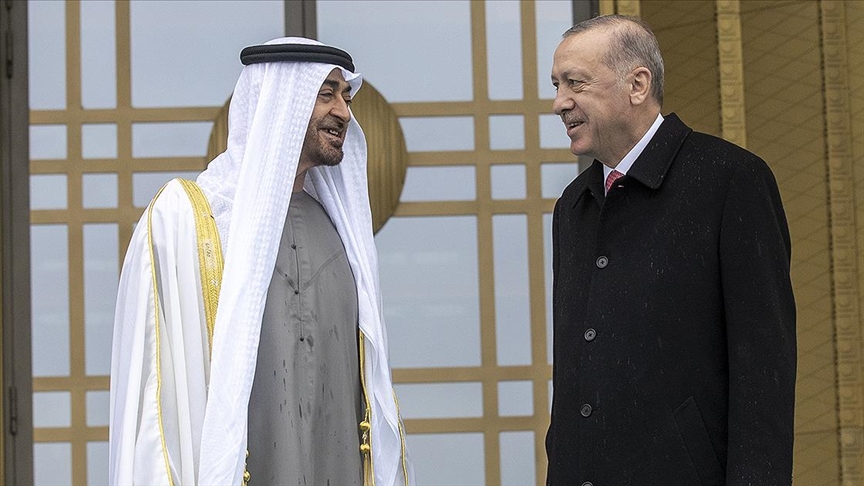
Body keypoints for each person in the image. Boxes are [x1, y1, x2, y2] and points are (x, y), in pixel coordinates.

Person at [109, 37, 413, 486]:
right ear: (280, 102)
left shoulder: (338, 231)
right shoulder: (194, 222)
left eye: (346, 97)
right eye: (326, 94)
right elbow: (157, 404)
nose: (344, 113)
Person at [546, 15, 796, 485]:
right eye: (557, 85)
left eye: (575, 83)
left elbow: (764, 371)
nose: (560, 102)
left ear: (638, 85)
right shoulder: (573, 206)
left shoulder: (730, 181)